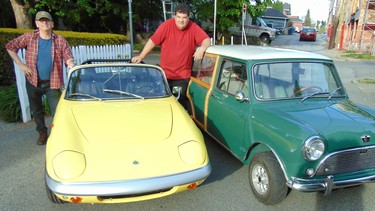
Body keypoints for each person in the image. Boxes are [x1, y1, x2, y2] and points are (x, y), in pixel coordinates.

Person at [6, 11, 75, 145]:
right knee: (36, 110)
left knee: (58, 110)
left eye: (47, 20)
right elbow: (10, 46)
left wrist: (71, 63)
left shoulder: (60, 40)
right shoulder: (29, 38)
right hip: (33, 81)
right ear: (37, 24)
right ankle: (42, 132)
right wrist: (21, 64)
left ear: (52, 24)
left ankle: (56, 133)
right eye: (41, 21)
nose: (45, 23)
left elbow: (68, 56)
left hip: (52, 83)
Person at [131, 3, 211, 111]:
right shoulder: (166, 25)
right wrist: (141, 56)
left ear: (188, 18)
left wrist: (201, 49)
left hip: (182, 75)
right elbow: (153, 41)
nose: (181, 21)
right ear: (174, 16)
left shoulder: (193, 27)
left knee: (179, 104)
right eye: (178, 17)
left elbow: (206, 40)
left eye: (184, 18)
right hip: (164, 74)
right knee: (163, 103)